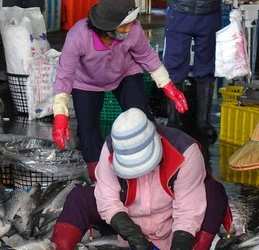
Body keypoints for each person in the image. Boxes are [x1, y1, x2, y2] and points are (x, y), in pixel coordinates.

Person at [50, 108, 231, 250]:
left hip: (171, 217)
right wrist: (133, 236)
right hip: (129, 215)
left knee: (214, 194)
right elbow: (107, 200)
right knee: (78, 197)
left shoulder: (185, 150)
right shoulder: (111, 148)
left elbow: (188, 211)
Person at [52, 0, 188, 183]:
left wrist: (168, 86)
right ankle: (98, 177)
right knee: (87, 130)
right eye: (125, 25)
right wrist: (60, 115)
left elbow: (147, 56)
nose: (131, 27)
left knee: (142, 119)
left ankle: (156, 171)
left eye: (131, 22)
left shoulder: (134, 30)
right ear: (107, 29)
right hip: (86, 82)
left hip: (125, 73)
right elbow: (64, 76)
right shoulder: (78, 36)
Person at [163, 0, 221, 138]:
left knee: (207, 66)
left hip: (209, 13)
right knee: (174, 67)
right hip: (179, 11)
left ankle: (204, 121)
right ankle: (173, 119)